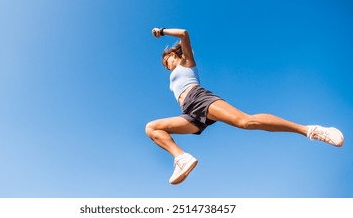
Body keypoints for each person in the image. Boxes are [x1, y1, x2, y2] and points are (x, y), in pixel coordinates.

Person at [145, 27, 344, 185]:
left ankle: (311, 130)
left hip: (198, 98)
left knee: (245, 121)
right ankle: (182, 159)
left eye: (167, 60)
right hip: (189, 111)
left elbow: (184, 33)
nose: (166, 65)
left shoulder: (187, 62)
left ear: (174, 54)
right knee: (152, 128)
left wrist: (161, 32)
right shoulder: (173, 76)